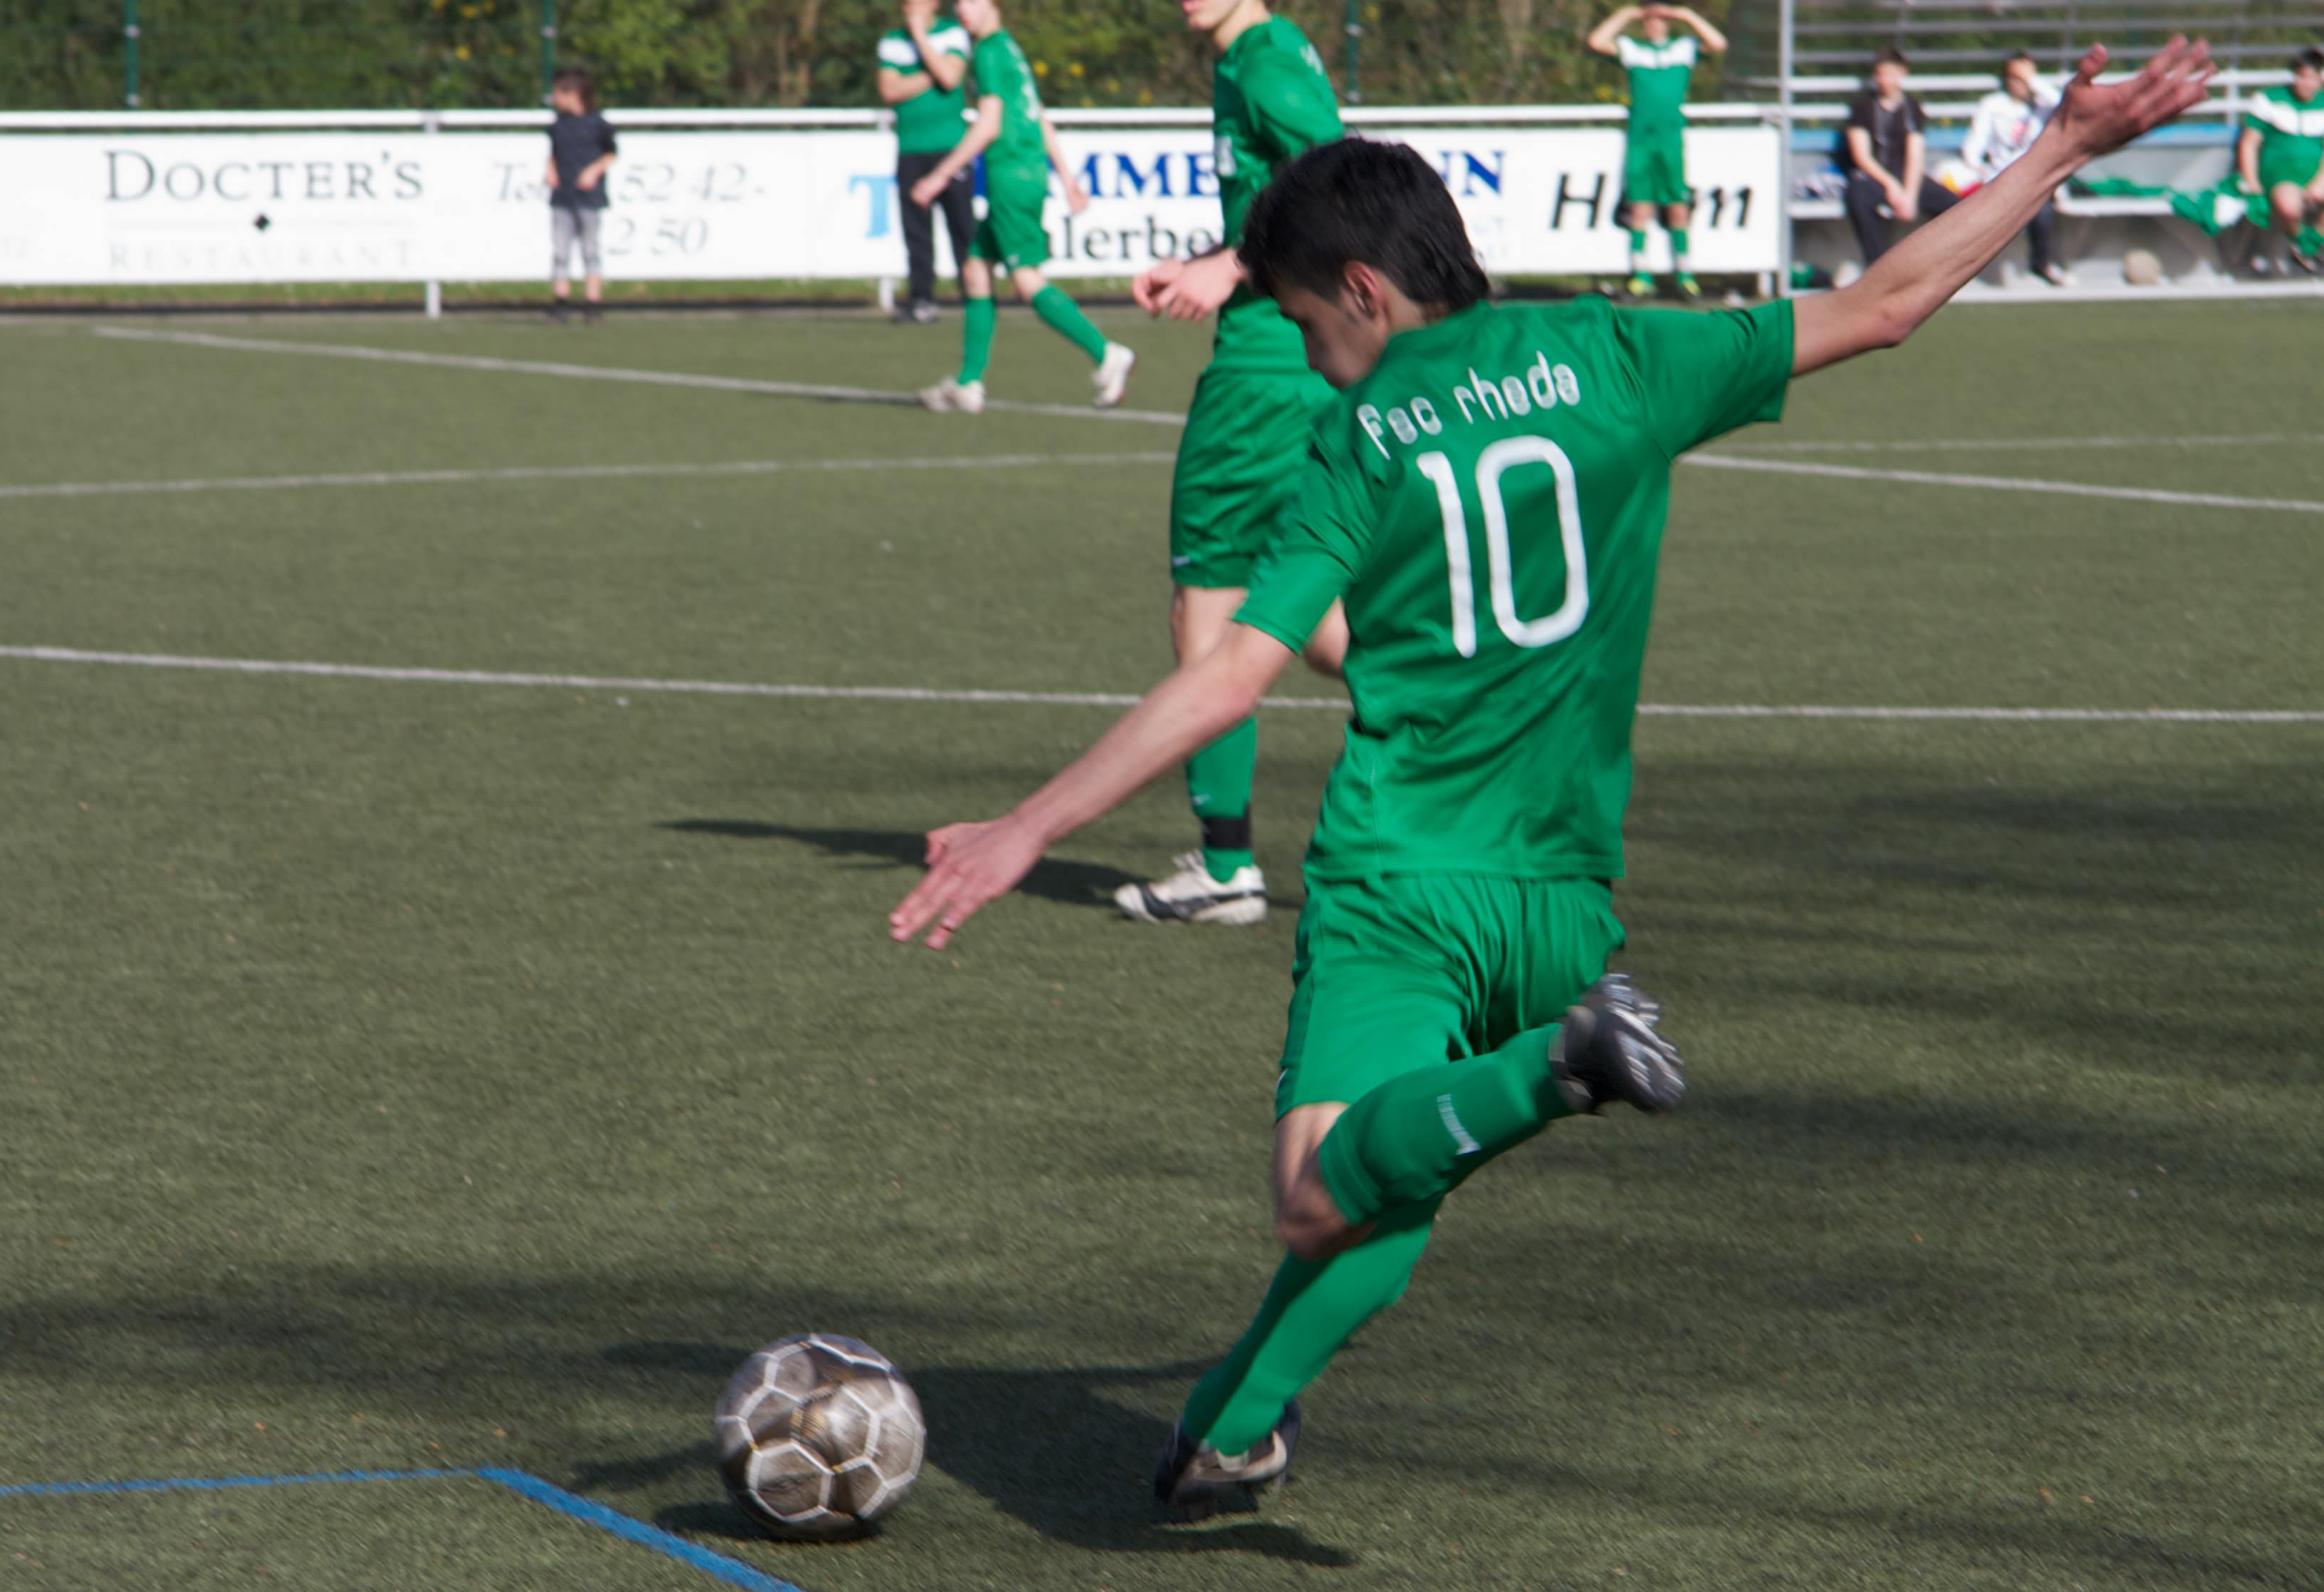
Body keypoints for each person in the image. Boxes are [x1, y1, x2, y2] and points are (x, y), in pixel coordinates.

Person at [888, 38, 2213, 1510]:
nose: (1306, 354)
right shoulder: (1617, 355)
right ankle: (1229, 1425)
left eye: (1302, 320)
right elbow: (1885, 304)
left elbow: (1229, 676)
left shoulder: (1356, 436)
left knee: (1320, 1189)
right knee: (1395, 1167)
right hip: (1563, 901)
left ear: (1363, 293)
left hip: (1402, 881)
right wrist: (2058, 151)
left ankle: (1555, 1069)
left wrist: (1028, 825)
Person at [1113, 0, 1348, 927]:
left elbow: (1337, 184)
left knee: (1204, 611)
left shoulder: (1263, 61)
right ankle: (1494, 749)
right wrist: (1206, 262)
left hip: (1262, 383)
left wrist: (1235, 265)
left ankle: (1225, 866)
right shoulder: (1255, 55)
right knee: (1320, 625)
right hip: (1297, 368)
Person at [913, 0, 1136, 413]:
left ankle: (1107, 353)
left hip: (1011, 178)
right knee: (976, 270)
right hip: (1025, 175)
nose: (961, 9)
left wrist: (940, 175)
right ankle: (969, 382)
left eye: (970, 1)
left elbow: (988, 125)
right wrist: (1066, 176)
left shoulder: (989, 51)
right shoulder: (1008, 48)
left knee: (1026, 280)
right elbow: (1039, 116)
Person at [1585, 3, 1728, 298]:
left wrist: (1686, 15)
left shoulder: (1683, 48)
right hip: (1641, 139)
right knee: (1640, 205)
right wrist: (1627, 14)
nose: (1653, 24)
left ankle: (1685, 275)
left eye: (1659, 19)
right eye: (1649, 19)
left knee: (1677, 204)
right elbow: (1596, 42)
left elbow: (1718, 44)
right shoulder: (1633, 49)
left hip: (1670, 138)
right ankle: (1641, 275)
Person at [878, 0, 977, 323]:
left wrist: (920, 38)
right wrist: (931, 74)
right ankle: (922, 300)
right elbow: (890, 91)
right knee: (916, 232)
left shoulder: (953, 33)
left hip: (951, 148)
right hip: (911, 149)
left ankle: (975, 296)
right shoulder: (892, 41)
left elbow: (950, 78)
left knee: (962, 228)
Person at [1843, 46, 1960, 264]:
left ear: (1902, 73)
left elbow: (1915, 156)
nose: (1884, 80)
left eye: (1889, 74)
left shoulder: (1912, 108)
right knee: (1857, 198)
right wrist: (1892, 186)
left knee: (1955, 207)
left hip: (1904, 175)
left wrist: (1909, 196)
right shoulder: (1862, 107)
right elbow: (1862, 157)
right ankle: (1878, 266)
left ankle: (1934, 261)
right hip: (1874, 178)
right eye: (1880, 74)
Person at [1963, 52, 2071, 285]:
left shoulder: (2043, 105)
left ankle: (2041, 263)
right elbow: (1973, 147)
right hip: (1999, 177)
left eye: (2025, 77)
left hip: (2034, 179)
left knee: (2043, 203)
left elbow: (2062, 102)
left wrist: (2031, 80)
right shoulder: (1993, 105)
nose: (2020, 83)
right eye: (2015, 77)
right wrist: (1982, 172)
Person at [2236, 46, 2324, 273]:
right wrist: (2252, 183)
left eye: (2311, 78)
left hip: (2315, 171)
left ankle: (2313, 244)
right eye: (2301, 76)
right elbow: (2249, 143)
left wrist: (2319, 181)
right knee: (2288, 206)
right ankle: (2301, 244)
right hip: (2281, 171)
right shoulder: (2269, 99)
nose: (2306, 84)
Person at [545, 67, 617, 325]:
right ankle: (561, 303)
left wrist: (593, 171)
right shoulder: (558, 125)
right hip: (562, 196)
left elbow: (611, 153)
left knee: (590, 250)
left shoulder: (598, 124)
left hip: (589, 198)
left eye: (558, 93)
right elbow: (554, 153)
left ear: (574, 94)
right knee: (560, 252)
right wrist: (550, 170)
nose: (554, 99)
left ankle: (592, 304)